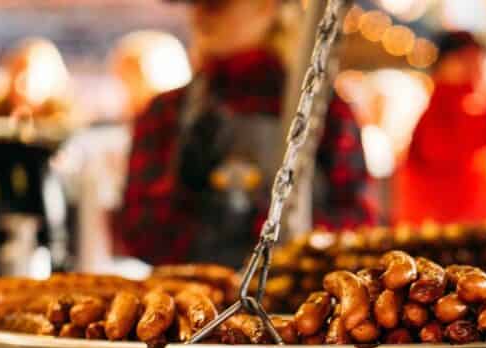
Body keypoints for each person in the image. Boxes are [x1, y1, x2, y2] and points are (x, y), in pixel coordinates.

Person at [114, 0, 375, 269]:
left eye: (219, 4)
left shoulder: (326, 111)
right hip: (192, 303)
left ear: (267, 6)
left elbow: (357, 223)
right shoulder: (166, 112)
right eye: (196, 4)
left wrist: (289, 234)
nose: (201, 13)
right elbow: (137, 229)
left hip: (299, 305)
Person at [394, 31, 486, 225]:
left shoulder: (468, 106)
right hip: (444, 231)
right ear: (448, 62)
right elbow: (447, 154)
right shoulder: (440, 111)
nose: (477, 69)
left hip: (466, 227)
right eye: (469, 60)